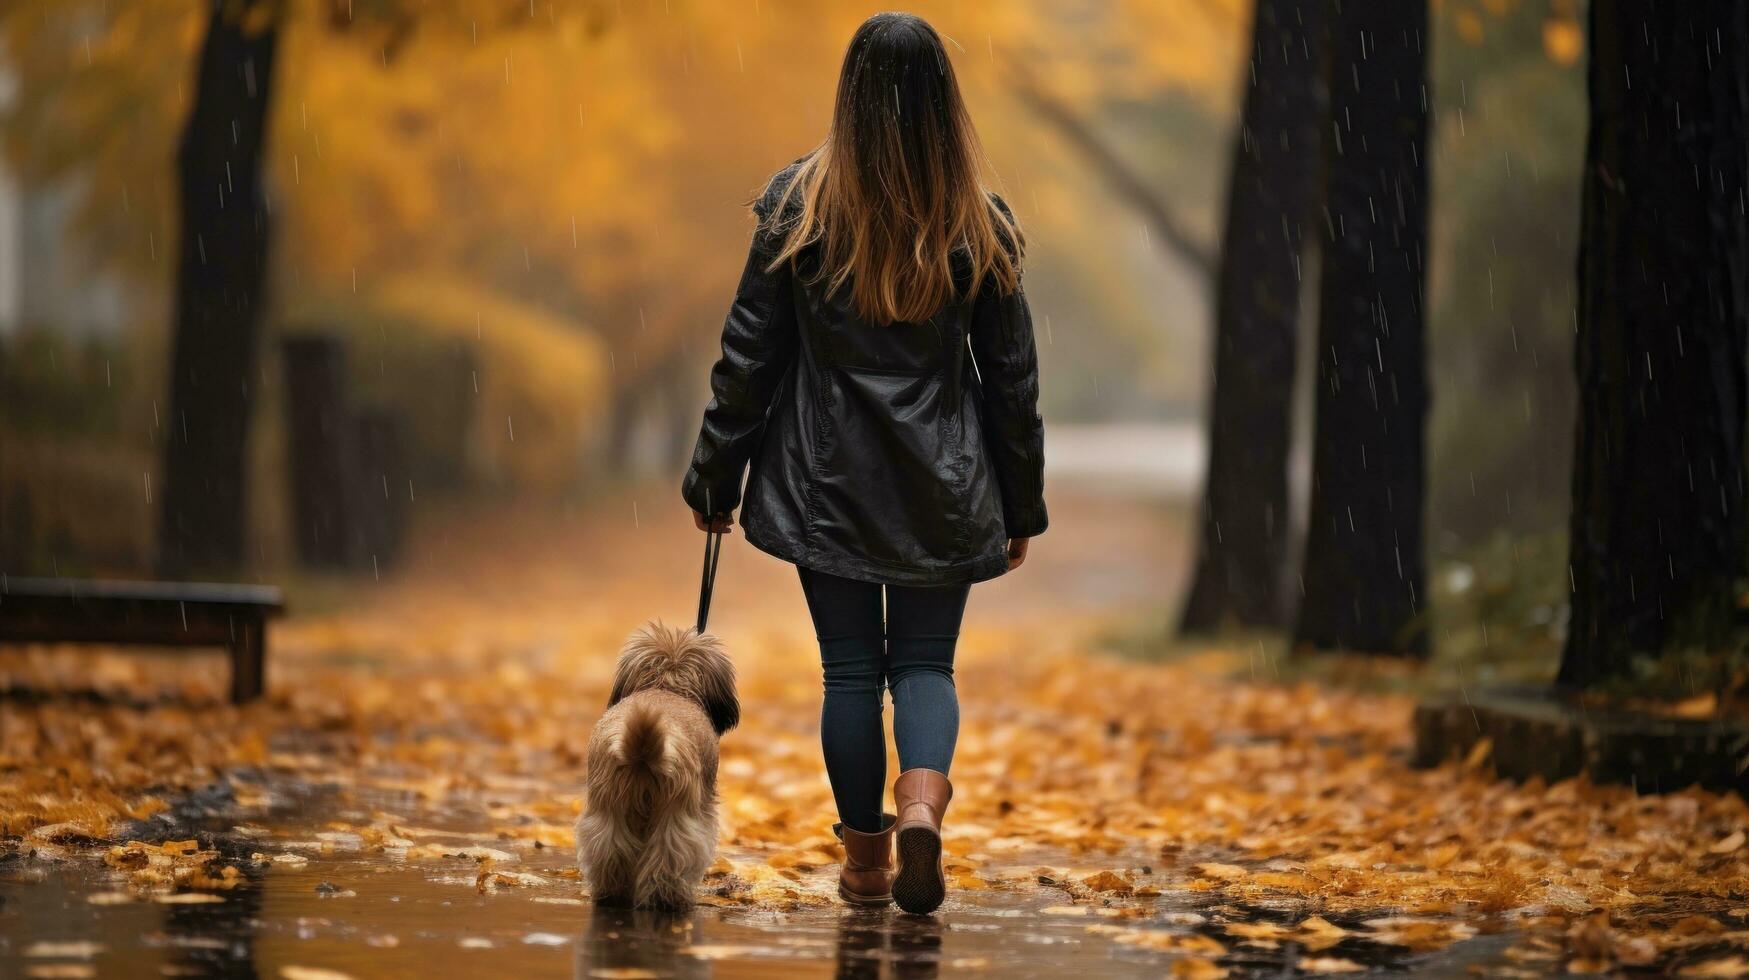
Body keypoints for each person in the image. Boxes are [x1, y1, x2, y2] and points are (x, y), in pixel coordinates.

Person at [681, 11, 1046, 916]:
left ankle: (867, 864)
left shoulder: (798, 209)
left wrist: (714, 476)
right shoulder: (979, 224)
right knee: (925, 667)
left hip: (825, 479)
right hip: (943, 483)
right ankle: (922, 804)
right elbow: (1011, 382)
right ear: (942, 105)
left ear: (849, 97)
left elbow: (748, 354)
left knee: (849, 672)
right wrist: (1020, 505)